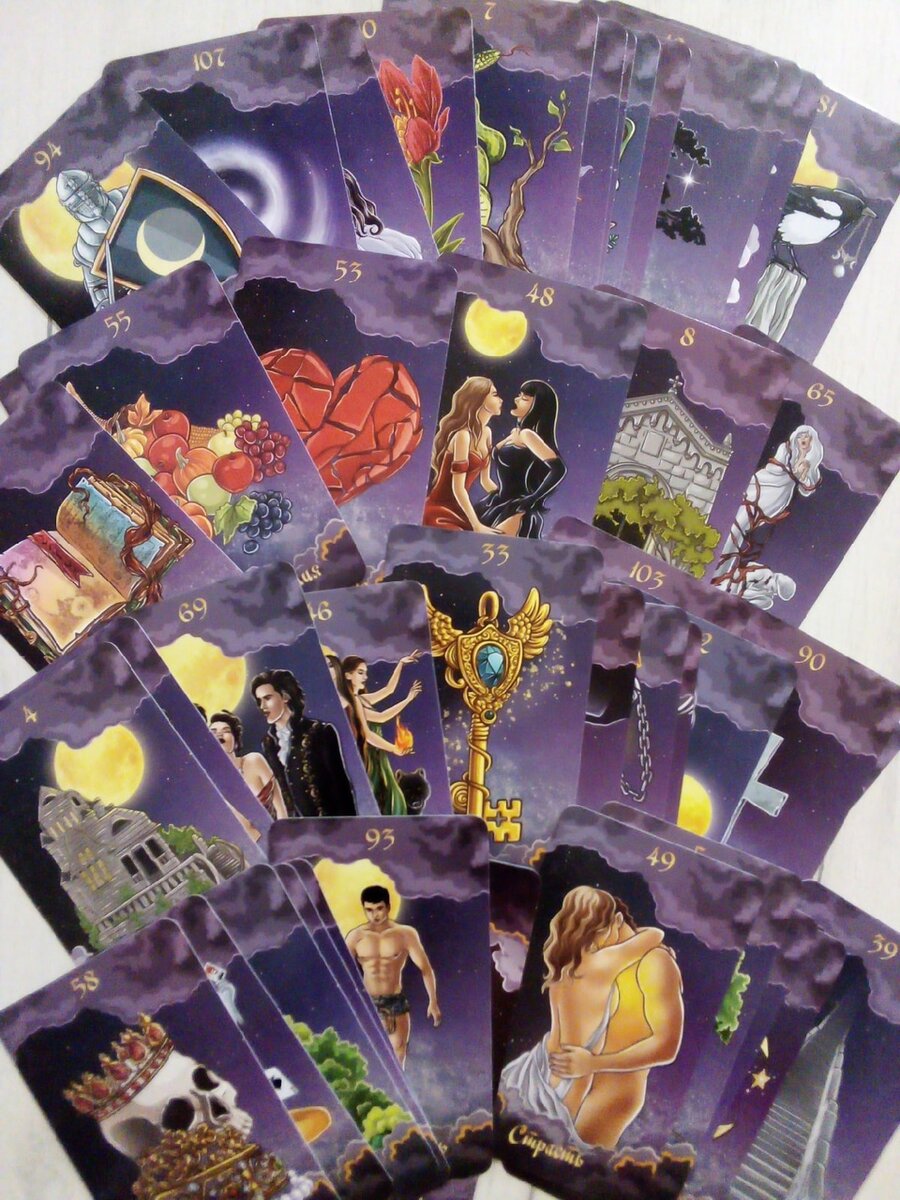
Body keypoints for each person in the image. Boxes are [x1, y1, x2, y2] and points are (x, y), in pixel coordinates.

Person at [500, 885, 683, 1150]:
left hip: (543, 1072)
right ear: (613, 921)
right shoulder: (604, 961)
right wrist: (592, 1064)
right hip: (567, 1079)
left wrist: (595, 1064)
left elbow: (666, 1044)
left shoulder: (567, 966)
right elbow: (654, 934)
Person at [712, 425, 823, 598]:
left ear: (811, 444)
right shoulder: (786, 449)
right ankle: (718, 567)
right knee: (738, 524)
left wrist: (804, 471)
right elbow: (776, 468)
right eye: (802, 436)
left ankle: (722, 572)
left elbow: (808, 487)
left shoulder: (808, 464)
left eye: (807, 439)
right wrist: (795, 472)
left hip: (777, 497)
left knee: (744, 528)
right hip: (765, 485)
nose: (803, 440)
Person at [345, 884, 440, 1067]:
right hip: (367, 1002)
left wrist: (433, 1001)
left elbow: (425, 968)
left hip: (394, 1001)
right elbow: (342, 970)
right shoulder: (355, 937)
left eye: (379, 908)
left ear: (388, 907)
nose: (375, 914)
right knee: (364, 1057)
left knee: (398, 1051)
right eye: (369, 910)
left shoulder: (405, 934)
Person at [252, 669, 357, 818]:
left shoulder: (320, 732)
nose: (262, 706)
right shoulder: (268, 743)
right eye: (259, 701)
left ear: (285, 696)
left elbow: (341, 788)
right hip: (297, 828)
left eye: (267, 698)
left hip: (331, 824)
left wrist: (349, 827)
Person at [476, 380, 567, 538]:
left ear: (537, 407)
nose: (517, 399)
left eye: (524, 398)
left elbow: (559, 469)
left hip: (515, 508)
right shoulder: (515, 432)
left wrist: (533, 498)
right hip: (498, 502)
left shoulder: (527, 435)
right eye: (519, 395)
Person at [342, 654, 421, 816]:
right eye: (360, 673)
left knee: (389, 795)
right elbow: (379, 721)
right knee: (383, 795)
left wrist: (400, 664)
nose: (365, 677)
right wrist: (407, 700)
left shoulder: (361, 699)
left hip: (377, 754)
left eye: (365, 673)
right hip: (369, 755)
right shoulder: (353, 702)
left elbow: (388, 690)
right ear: (348, 675)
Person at [423, 377, 502, 531]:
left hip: (462, 510)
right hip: (440, 511)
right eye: (494, 394)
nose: (500, 399)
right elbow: (458, 489)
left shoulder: (487, 433)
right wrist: (476, 525)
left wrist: (508, 500)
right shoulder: (463, 436)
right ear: (480, 399)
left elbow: (486, 481)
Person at [209, 710, 288, 821]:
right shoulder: (211, 779)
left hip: (274, 829)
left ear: (236, 742)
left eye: (226, 731)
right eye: (213, 732)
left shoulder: (254, 761)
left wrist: (283, 829)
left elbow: (280, 808)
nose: (219, 735)